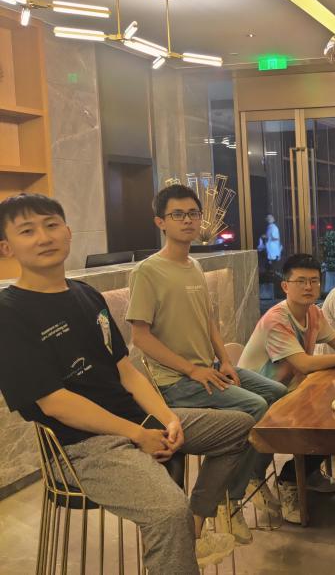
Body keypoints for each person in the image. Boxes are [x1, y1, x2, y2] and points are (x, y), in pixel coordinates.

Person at [0, 193, 253, 572]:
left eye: (51, 225)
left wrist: (167, 417)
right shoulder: (10, 313)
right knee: (168, 511)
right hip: (82, 446)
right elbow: (55, 402)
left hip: (137, 421)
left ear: (68, 232)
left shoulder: (86, 295)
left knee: (241, 427)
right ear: (7, 247)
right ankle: (182, 528)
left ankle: (195, 524)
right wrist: (137, 434)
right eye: (27, 231)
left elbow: (126, 371)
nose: (44, 237)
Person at [127, 184, 290, 545]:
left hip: (210, 370)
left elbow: (210, 322)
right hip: (176, 382)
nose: (187, 220)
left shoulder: (196, 265)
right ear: (160, 222)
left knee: (279, 394)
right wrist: (191, 370)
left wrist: (225, 360)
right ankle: (228, 501)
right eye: (177, 215)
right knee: (255, 406)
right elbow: (141, 338)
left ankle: (248, 474)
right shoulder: (147, 272)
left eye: (193, 214)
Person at [238, 253, 335, 523]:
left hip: (292, 390)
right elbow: (304, 363)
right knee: (328, 417)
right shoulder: (276, 319)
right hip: (259, 397)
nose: (308, 287)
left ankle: (306, 473)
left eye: (314, 281)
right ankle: (284, 480)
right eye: (301, 281)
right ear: (285, 286)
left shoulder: (314, 312)